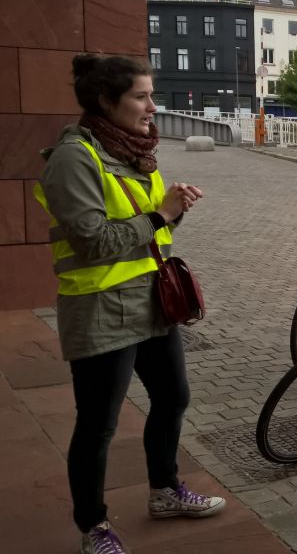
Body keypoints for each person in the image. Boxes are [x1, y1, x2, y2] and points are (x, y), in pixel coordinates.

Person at [33, 54, 225, 554]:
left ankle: (164, 491)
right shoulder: (75, 157)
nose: (151, 106)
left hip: (152, 302)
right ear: (105, 101)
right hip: (100, 309)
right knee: (98, 424)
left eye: (150, 95)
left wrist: (172, 209)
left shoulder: (134, 152)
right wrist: (161, 215)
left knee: (172, 397)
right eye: (140, 96)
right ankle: (92, 526)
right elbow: (93, 241)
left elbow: (152, 230)